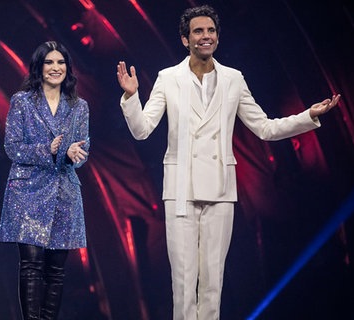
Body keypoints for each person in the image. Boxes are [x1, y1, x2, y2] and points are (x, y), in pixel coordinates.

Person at [116, 5, 339, 320]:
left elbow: (264, 127)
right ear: (185, 39)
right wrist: (131, 97)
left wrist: (308, 116)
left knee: (212, 283)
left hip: (220, 188)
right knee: (183, 282)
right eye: (198, 31)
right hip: (180, 189)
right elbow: (141, 131)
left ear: (217, 37)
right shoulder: (168, 78)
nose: (205, 36)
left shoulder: (234, 79)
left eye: (210, 31)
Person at [0, 41, 90, 320]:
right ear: (39, 67)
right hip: (27, 191)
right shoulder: (22, 102)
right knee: (31, 264)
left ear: (68, 69)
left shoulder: (79, 106)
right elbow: (12, 147)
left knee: (56, 269)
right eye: (49, 62)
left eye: (60, 62)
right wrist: (46, 150)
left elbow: (84, 149)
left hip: (63, 190)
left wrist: (74, 154)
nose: (55, 68)